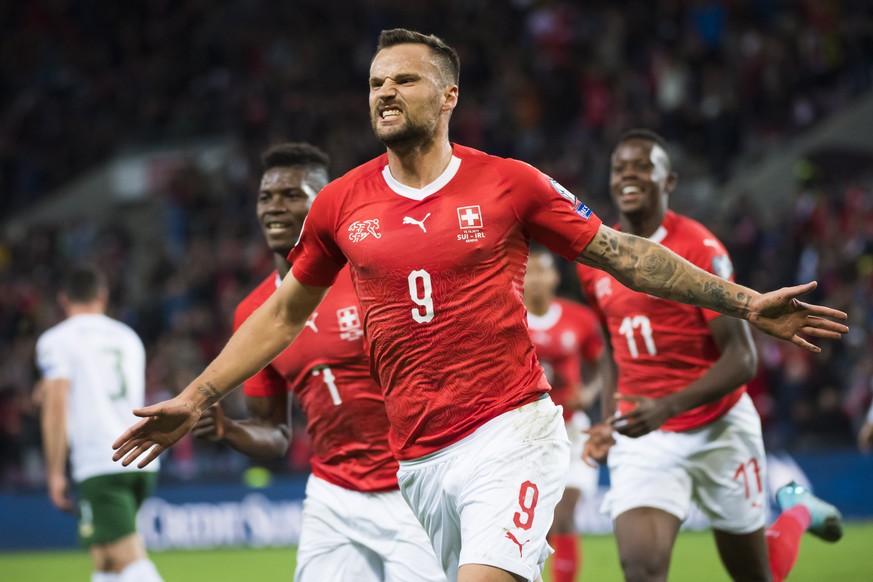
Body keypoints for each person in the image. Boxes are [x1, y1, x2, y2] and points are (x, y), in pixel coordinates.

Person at [113, 29, 848, 582]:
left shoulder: (508, 184)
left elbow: (624, 253)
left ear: (448, 96)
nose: (384, 94)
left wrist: (745, 301)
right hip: (419, 461)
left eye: (404, 80)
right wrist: (197, 395)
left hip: (511, 433)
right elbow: (279, 316)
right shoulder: (341, 204)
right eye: (375, 83)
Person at [578, 128, 843, 582]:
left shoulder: (700, 248)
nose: (629, 175)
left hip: (717, 426)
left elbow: (744, 360)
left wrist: (669, 406)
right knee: (641, 570)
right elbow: (611, 346)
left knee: (756, 575)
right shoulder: (597, 255)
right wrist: (606, 418)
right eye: (620, 167)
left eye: (643, 167)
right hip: (647, 436)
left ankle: (797, 510)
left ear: (670, 181)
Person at [191, 142, 445, 581]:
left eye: (292, 195)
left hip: (414, 485)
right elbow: (275, 432)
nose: (275, 207)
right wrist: (227, 430)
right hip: (333, 494)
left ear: (323, 204)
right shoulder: (252, 313)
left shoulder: (373, 276)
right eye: (266, 197)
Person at [36, 265, 163, 582]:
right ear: (102, 296)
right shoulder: (128, 337)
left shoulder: (57, 340)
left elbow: (56, 406)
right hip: (142, 458)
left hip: (101, 460)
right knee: (104, 559)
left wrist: (53, 471)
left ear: (63, 299)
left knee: (126, 556)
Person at [523, 247, 608, 582]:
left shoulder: (579, 318)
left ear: (556, 277)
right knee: (539, 524)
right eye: (530, 272)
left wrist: (591, 391)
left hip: (573, 432)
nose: (537, 279)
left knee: (564, 514)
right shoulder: (509, 318)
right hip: (529, 436)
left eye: (543, 271)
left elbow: (602, 365)